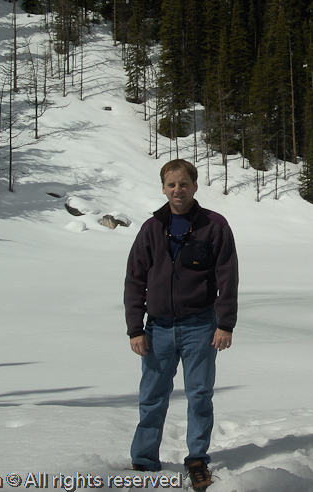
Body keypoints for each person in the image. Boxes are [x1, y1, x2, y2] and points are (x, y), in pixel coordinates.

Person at [124, 159, 238, 491]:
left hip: (200, 326)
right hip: (158, 328)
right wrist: (135, 328)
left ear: (195, 186)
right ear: (163, 188)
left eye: (184, 184)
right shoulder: (151, 228)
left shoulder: (214, 225)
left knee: (199, 395)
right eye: (172, 184)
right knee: (152, 396)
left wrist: (225, 323)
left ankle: (197, 460)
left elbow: (227, 277)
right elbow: (135, 279)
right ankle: (144, 461)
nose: (178, 190)